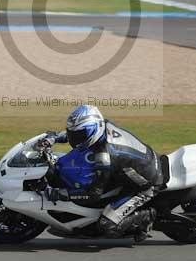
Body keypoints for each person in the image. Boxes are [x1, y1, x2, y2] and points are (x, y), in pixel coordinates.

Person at [37, 104, 163, 243]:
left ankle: (147, 216)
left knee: (107, 225)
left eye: (80, 134)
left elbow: (93, 194)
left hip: (145, 186)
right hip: (135, 166)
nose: (75, 138)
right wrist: (53, 138)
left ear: (93, 130)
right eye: (74, 133)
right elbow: (73, 134)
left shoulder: (104, 158)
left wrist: (62, 194)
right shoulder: (103, 125)